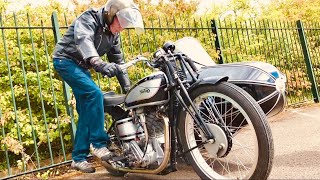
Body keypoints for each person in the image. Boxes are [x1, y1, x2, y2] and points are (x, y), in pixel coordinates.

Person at [52, 0, 144, 173]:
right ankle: (98, 144)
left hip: (81, 66)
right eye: (121, 21)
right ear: (111, 14)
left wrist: (128, 89)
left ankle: (78, 158)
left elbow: (118, 60)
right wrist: (98, 63)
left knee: (87, 109)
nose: (123, 27)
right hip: (65, 60)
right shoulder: (89, 18)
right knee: (95, 95)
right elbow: (83, 40)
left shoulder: (113, 34)